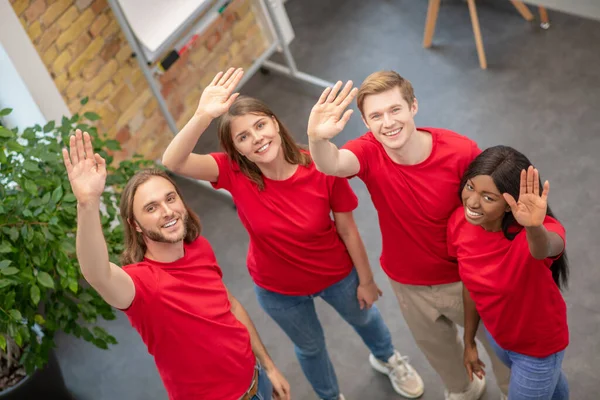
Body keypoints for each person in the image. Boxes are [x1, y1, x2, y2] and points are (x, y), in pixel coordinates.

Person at [161, 67, 424, 400]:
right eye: (243, 137)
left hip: (336, 275)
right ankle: (330, 397)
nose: (256, 138)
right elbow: (174, 161)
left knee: (366, 320)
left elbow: (347, 227)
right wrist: (202, 114)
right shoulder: (232, 171)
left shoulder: (321, 165)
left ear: (275, 123)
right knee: (310, 348)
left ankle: (388, 358)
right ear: (237, 150)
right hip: (279, 290)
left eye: (260, 125)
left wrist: (367, 280)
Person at [307, 71, 510, 399]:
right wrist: (316, 138)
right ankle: (463, 390)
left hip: (467, 277)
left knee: (503, 351)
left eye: (395, 110)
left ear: (413, 106)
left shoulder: (460, 152)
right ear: (365, 121)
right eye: (376, 115)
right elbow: (332, 164)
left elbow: (493, 211)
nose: (387, 122)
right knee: (441, 355)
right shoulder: (369, 151)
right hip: (409, 283)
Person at [62, 130, 290, 400]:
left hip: (256, 380)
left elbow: (229, 306)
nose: (167, 211)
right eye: (151, 208)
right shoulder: (140, 286)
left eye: (170, 199)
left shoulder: (199, 248)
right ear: (135, 225)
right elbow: (97, 273)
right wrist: (87, 203)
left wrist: (268, 367)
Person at [447, 145, 569, 400]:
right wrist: (469, 341)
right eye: (470, 187)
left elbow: (545, 247)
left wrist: (534, 227)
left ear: (508, 204)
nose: (471, 201)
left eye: (488, 197)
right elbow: (471, 286)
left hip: (538, 350)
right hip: (499, 338)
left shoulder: (537, 232)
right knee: (554, 388)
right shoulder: (459, 222)